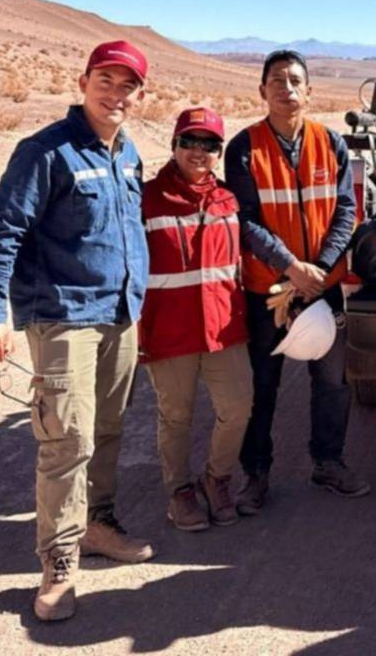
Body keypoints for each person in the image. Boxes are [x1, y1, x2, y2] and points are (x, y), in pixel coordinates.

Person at [0, 40, 154, 622]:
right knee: (66, 439)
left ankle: (97, 523)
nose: (115, 94)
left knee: (108, 429)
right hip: (63, 315)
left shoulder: (128, 153)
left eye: (128, 86)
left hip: (119, 313)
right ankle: (59, 560)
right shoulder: (45, 152)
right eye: (106, 80)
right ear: (83, 82)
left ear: (139, 96)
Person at [225, 49, 368, 510]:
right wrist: (291, 268)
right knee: (261, 386)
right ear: (262, 90)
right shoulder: (244, 148)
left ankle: (328, 462)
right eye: (277, 81)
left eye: (294, 81)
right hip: (268, 291)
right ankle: (256, 474)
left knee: (332, 382)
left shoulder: (332, 143)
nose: (286, 88)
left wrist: (318, 270)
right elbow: (245, 220)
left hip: (322, 287)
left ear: (309, 91)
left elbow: (346, 211)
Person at [140, 107, 287, 531]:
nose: (198, 151)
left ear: (219, 153)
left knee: (238, 407)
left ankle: (216, 478)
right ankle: (180, 492)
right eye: (189, 141)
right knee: (176, 416)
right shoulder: (146, 199)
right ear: (174, 145)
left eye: (209, 144)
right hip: (169, 331)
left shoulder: (228, 201)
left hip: (223, 329)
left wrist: (292, 276)